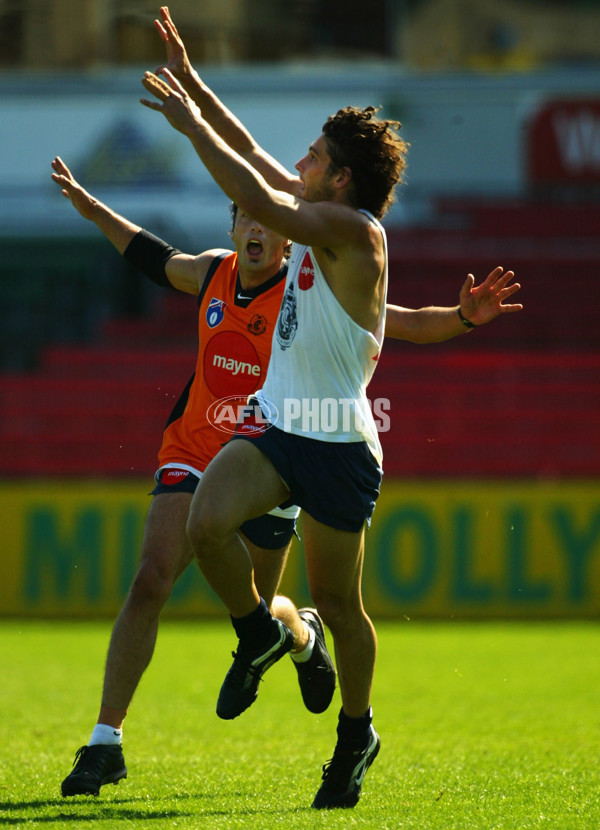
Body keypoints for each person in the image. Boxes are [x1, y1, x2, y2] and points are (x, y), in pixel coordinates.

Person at [139, 6, 522, 810]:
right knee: (206, 523)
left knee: (344, 608)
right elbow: (251, 160)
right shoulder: (324, 221)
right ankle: (260, 632)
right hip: (280, 425)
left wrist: (183, 124)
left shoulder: (353, 232)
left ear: (341, 179)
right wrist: (197, 80)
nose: (302, 159)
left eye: (314, 153)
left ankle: (356, 731)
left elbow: (255, 191)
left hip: (341, 445)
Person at [51, 159, 337, 798]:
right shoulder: (213, 271)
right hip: (195, 451)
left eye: (269, 222)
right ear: (234, 226)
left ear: (289, 238)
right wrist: (94, 210)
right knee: (151, 579)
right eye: (245, 219)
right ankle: (105, 743)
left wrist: (451, 319)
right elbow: (153, 258)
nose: (255, 231)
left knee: (264, 611)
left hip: (270, 463)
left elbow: (379, 316)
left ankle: (302, 635)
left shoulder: (305, 292)